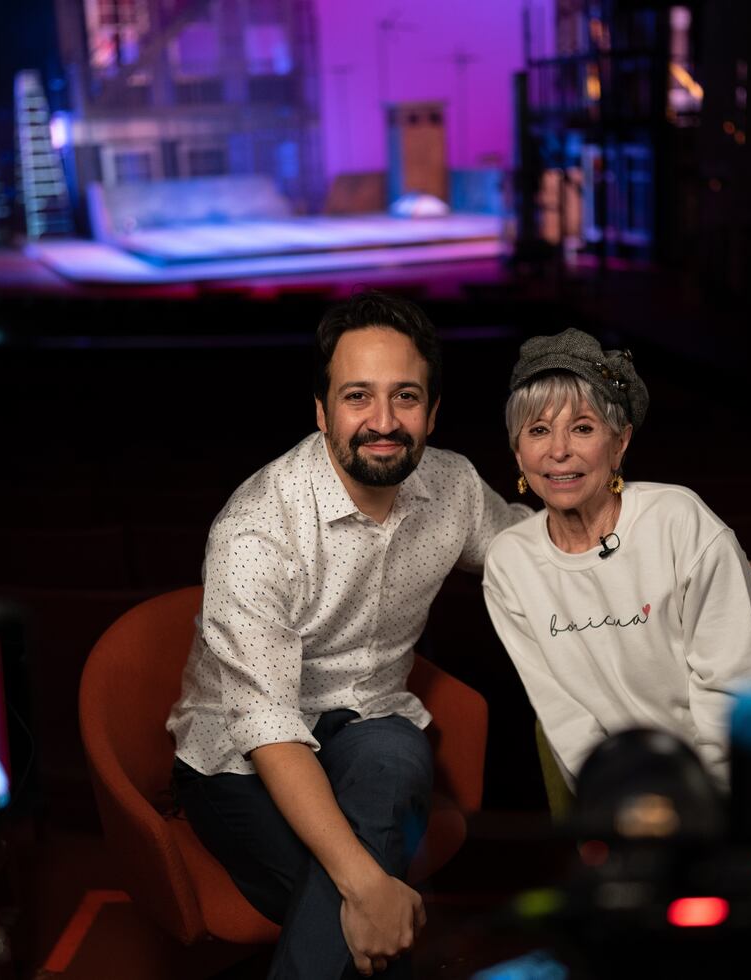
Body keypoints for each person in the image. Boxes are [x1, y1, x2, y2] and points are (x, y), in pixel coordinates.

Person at [166, 290, 530, 979]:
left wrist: (669, 554)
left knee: (392, 755)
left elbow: (536, 548)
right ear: (321, 411)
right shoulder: (257, 531)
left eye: (406, 397)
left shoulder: (450, 488)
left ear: (434, 411)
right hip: (238, 759)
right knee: (352, 898)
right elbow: (269, 730)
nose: (384, 421)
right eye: (358, 396)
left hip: (368, 729)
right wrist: (367, 886)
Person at [482, 328, 751, 844]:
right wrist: (633, 806)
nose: (558, 451)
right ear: (518, 452)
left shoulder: (680, 521)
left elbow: (730, 691)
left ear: (620, 442)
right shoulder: (510, 565)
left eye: (582, 428)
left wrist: (707, 816)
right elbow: (567, 721)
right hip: (642, 789)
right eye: (538, 431)